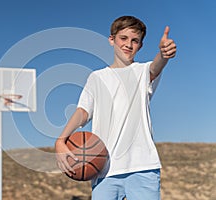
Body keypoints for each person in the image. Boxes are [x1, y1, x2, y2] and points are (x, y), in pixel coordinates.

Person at [55, 15, 176, 200]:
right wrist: (61, 140)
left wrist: (163, 54)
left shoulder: (142, 71)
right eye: (124, 38)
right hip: (104, 169)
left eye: (135, 41)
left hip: (142, 166)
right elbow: (82, 111)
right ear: (112, 40)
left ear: (140, 46)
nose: (129, 44)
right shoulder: (97, 78)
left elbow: (156, 67)